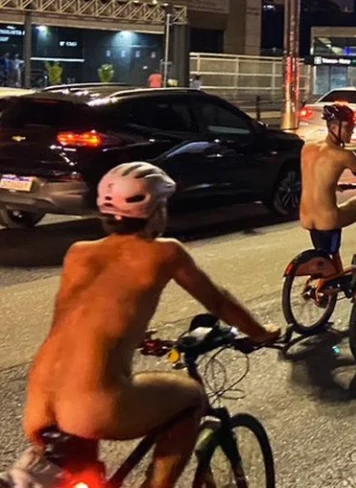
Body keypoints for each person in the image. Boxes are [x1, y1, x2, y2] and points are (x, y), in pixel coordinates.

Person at [19, 162, 280, 488]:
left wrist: (136, 335)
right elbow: (219, 302)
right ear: (154, 210)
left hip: (40, 404)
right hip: (93, 404)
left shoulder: (79, 253)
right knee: (191, 397)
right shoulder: (165, 253)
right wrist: (261, 334)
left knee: (84, 473)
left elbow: (84, 318)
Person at [300, 104, 356, 255]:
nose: (352, 131)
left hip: (306, 217)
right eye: (348, 127)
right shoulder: (344, 155)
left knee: (328, 259)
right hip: (328, 219)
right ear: (333, 127)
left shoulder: (307, 148)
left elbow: (316, 178)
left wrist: (334, 185)